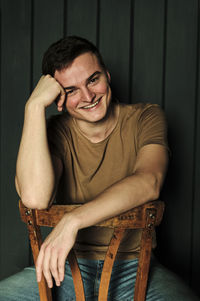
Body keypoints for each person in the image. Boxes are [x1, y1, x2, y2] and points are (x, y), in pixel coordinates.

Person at [0, 36, 199, 301]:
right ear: (58, 96)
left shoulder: (145, 117)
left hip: (133, 267)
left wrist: (73, 220)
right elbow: (34, 198)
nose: (88, 96)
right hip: (65, 268)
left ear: (107, 75)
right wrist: (33, 107)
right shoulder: (54, 133)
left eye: (93, 80)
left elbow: (149, 180)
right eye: (71, 90)